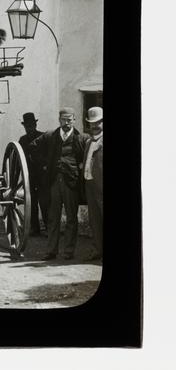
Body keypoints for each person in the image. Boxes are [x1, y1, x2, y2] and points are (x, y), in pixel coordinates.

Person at [30, 107, 88, 261]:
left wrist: (81, 166)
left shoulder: (81, 138)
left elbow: (87, 155)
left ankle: (68, 251)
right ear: (59, 120)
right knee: (52, 217)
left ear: (74, 120)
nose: (67, 123)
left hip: (72, 182)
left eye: (70, 120)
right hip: (54, 182)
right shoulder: (50, 136)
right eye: (64, 120)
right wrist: (44, 164)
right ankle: (51, 251)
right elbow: (33, 147)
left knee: (71, 218)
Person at [18, 112, 46, 236]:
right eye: (27, 126)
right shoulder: (22, 140)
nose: (29, 128)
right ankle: (35, 229)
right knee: (31, 203)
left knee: (45, 202)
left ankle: (49, 227)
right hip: (29, 176)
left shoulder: (43, 137)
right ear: (24, 126)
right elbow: (19, 158)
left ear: (35, 124)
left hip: (42, 176)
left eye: (31, 125)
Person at [83, 106, 103, 262]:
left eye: (98, 123)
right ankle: (97, 249)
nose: (95, 126)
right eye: (92, 123)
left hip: (102, 187)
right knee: (94, 219)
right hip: (90, 186)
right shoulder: (89, 141)